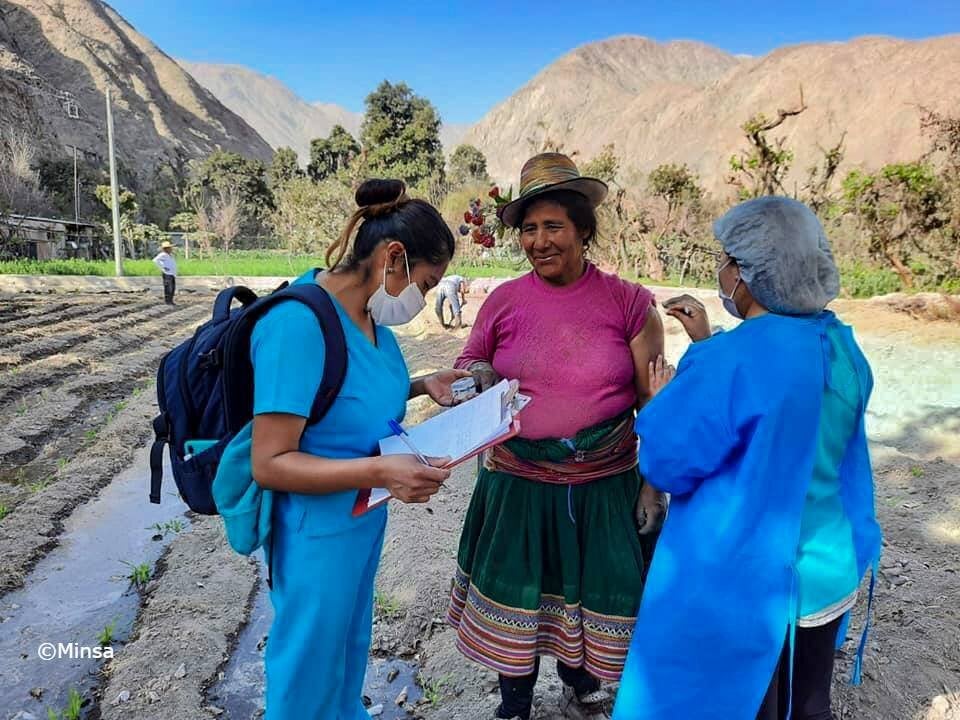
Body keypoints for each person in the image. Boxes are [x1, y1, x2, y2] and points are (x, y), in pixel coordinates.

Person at [612, 197, 882, 720]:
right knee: (807, 701)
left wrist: (668, 399)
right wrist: (708, 345)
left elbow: (668, 464)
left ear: (748, 273)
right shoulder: (841, 346)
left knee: (742, 698)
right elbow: (789, 419)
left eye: (728, 259)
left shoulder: (727, 362)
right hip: (825, 568)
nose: (723, 270)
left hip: (746, 582)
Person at [447, 153, 668, 720]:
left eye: (552, 227)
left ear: (583, 231)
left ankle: (581, 690)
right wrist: (479, 378)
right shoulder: (503, 301)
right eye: (528, 229)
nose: (539, 241)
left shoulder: (630, 303)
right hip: (517, 481)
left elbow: (654, 403)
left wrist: (653, 487)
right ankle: (514, 705)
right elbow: (473, 359)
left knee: (589, 595)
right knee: (522, 594)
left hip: (605, 483)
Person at [249, 179, 472, 720]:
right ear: (392, 258)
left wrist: (421, 385)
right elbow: (271, 461)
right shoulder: (297, 324)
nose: (422, 300)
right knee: (307, 667)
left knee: (347, 651)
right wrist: (379, 468)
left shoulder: (373, 324)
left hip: (361, 521)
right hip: (316, 533)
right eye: (425, 282)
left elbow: (353, 396)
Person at [153, 240, 178, 305]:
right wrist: (163, 267)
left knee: (172, 288)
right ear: (166, 249)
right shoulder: (163, 254)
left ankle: (171, 301)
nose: (171, 249)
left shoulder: (169, 255)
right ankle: (168, 301)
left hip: (171, 274)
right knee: (168, 288)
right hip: (167, 274)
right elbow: (155, 260)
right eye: (169, 248)